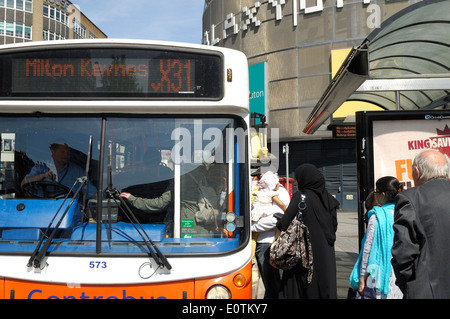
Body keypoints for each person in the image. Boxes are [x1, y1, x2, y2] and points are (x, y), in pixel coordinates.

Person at [391, 149, 450, 298]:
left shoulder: (410, 198)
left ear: (416, 172)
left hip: (425, 289)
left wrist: (409, 283)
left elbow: (403, 253)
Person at [276, 163, 339, 299]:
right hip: (325, 254)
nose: (296, 184)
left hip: (304, 254)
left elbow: (284, 224)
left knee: (299, 286)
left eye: (297, 181)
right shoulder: (329, 199)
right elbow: (334, 226)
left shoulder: (301, 196)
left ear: (304, 180)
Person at [349, 176, 403, 299]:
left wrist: (362, 276)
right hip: (398, 272)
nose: (376, 195)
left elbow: (368, 248)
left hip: (379, 273)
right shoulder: (404, 212)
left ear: (383, 194)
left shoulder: (377, 216)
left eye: (377, 192)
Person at [251, 171, 290, 299]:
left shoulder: (279, 194)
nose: (259, 181)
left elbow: (275, 219)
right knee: (267, 280)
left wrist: (251, 227)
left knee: (271, 281)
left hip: (268, 242)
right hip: (262, 240)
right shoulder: (268, 191)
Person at [21, 141, 96, 198]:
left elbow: (92, 193)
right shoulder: (41, 167)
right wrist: (43, 176)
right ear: (52, 152)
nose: (66, 155)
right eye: (62, 152)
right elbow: (23, 184)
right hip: (42, 209)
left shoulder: (78, 171)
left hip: (69, 212)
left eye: (68, 152)